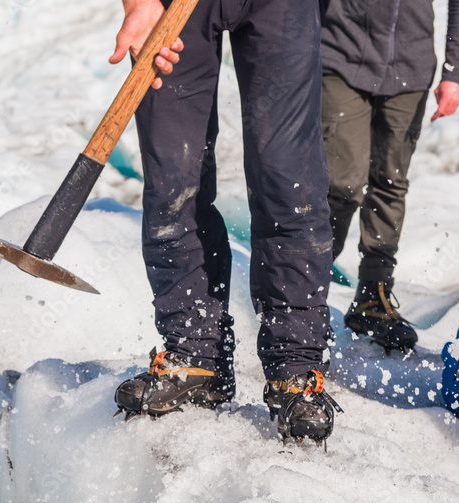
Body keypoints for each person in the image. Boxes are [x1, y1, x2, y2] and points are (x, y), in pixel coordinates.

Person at [110, 0, 341, 443]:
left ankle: (295, 369)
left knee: (287, 177)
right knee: (172, 180)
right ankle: (195, 353)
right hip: (172, 9)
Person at [321, 0, 459, 353]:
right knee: (340, 183)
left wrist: (453, 71)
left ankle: (372, 295)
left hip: (410, 66)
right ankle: (306, 291)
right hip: (341, 54)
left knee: (390, 182)